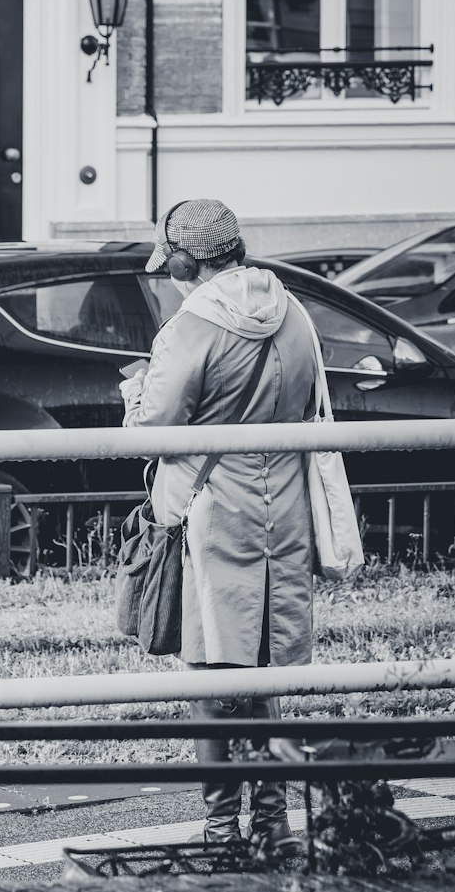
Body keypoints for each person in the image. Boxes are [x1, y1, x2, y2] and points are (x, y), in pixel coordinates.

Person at [120, 198, 317, 847]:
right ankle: (274, 823)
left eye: (170, 258)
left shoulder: (189, 327)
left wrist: (135, 390)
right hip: (283, 513)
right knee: (268, 673)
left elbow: (153, 432)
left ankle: (221, 828)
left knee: (212, 679)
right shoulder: (293, 314)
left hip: (213, 515)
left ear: (189, 260)